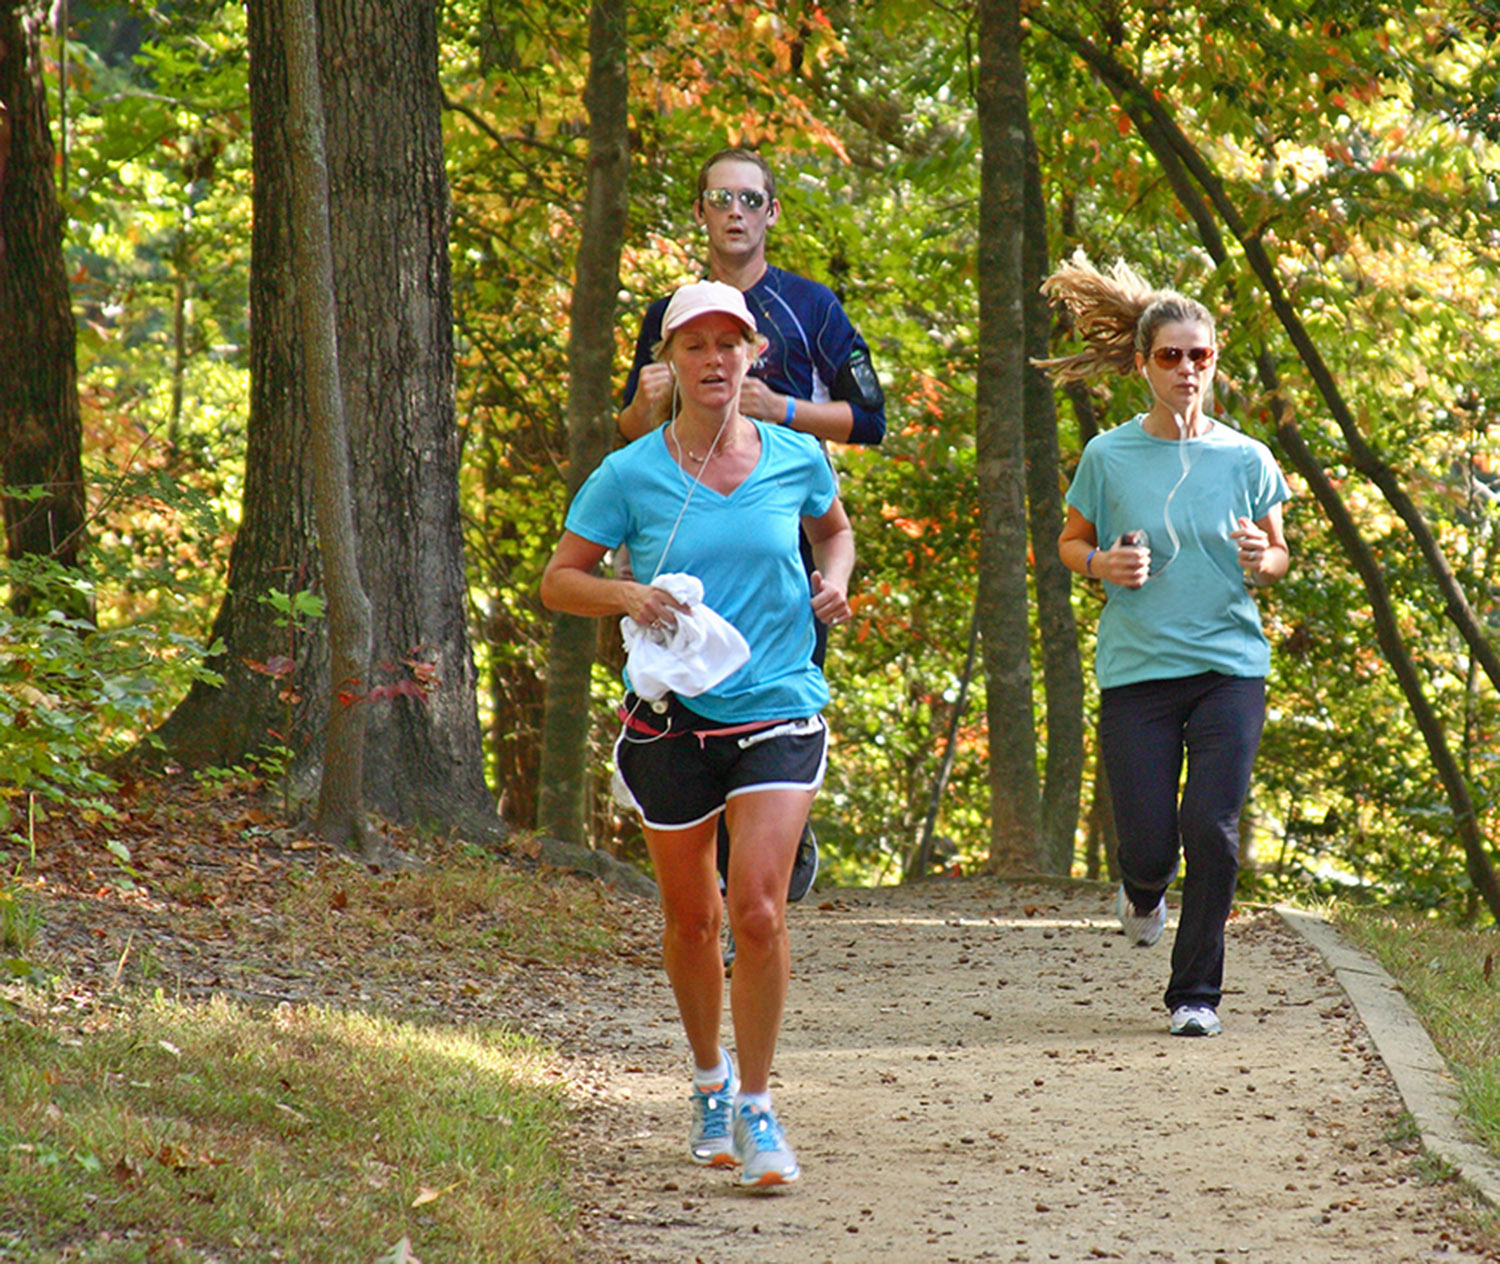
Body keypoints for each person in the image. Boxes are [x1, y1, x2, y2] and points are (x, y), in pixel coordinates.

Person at [541, 279, 854, 1185]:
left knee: (757, 911)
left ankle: (757, 1106)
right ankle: (709, 1081)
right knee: (692, 919)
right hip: (670, 721)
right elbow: (560, 581)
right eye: (695, 346)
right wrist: (627, 594)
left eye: (729, 344)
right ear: (668, 362)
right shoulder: (629, 473)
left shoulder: (796, 455)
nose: (715, 360)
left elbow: (834, 533)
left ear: (755, 354)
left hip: (778, 704)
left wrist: (834, 581)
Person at [620, 146, 887, 925]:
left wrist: (786, 412)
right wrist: (644, 405)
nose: (733, 212)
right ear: (700, 213)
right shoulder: (670, 313)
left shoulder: (811, 306)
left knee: (770, 699)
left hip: (784, 532)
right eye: (718, 199)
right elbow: (629, 429)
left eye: (748, 199)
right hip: (684, 537)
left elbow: (870, 419)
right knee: (689, 696)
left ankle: (762, 862)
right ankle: (723, 882)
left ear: (771, 213)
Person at [1039, 256, 1290, 1039]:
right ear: (1143, 364)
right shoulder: (1109, 456)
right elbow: (1070, 542)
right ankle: (1143, 890)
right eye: (1170, 356)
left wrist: (1263, 558)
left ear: (1214, 361)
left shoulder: (1246, 458)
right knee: (1149, 845)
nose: (1187, 369)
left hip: (1228, 668)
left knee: (1211, 829)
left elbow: (1279, 555)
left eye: (1199, 356)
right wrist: (1102, 563)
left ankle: (1196, 995)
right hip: (1139, 670)